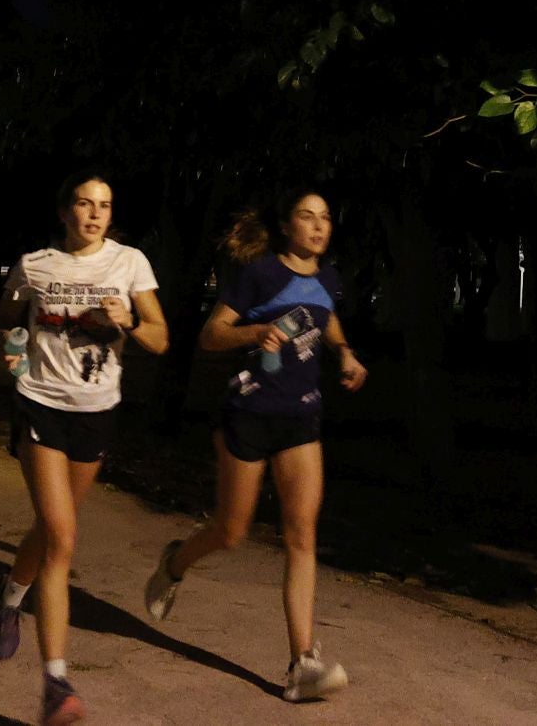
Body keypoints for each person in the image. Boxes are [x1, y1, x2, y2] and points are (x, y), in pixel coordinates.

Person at [142, 189, 368, 703]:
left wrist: (346, 354)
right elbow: (210, 335)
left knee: (301, 536)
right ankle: (175, 562)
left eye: (325, 217)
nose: (317, 226)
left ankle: (302, 661)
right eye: (306, 217)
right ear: (288, 226)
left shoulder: (328, 277)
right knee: (230, 531)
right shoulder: (260, 274)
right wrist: (257, 331)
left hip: (302, 419)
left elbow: (327, 316)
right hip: (248, 414)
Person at [0, 173, 168, 726]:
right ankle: (56, 683)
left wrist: (129, 321)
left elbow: (160, 338)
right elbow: (5, 323)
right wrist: (16, 357)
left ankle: (10, 595)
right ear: (65, 211)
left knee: (48, 532)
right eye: (85, 205)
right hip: (40, 406)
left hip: (96, 413)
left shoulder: (130, 262)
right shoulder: (34, 265)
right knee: (63, 537)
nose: (95, 214)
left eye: (105, 206)